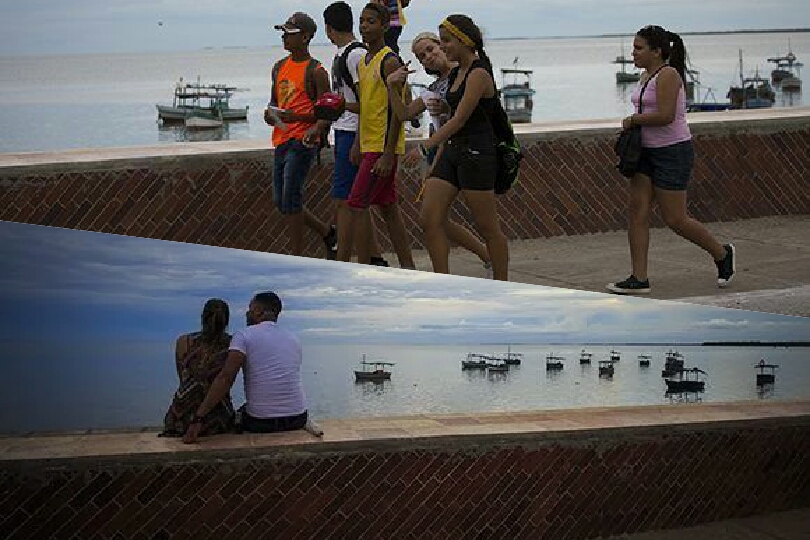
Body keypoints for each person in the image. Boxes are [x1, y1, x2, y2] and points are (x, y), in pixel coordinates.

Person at [607, 25, 735, 295]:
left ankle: (722, 253)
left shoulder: (668, 75)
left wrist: (633, 120)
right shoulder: (645, 76)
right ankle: (638, 278)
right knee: (637, 211)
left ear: (657, 51)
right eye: (634, 48)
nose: (633, 53)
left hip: (672, 152)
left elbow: (665, 115)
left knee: (675, 219)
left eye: (639, 48)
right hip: (645, 152)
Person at [400, 15, 509, 280]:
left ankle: (502, 285)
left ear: (464, 40)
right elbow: (453, 111)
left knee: (487, 227)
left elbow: (461, 119)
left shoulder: (479, 73)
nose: (444, 47)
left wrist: (426, 147)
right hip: (452, 150)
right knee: (429, 219)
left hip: (477, 152)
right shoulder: (457, 73)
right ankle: (442, 283)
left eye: (446, 41)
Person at [336, 2, 415, 269]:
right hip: (369, 143)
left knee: (356, 204)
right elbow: (366, 106)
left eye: (371, 22)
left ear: (383, 26)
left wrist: (388, 153)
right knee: (388, 208)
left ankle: (363, 266)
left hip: (382, 148)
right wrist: (358, 141)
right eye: (362, 21)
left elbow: (397, 110)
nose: (365, 26)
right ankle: (408, 267)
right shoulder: (363, 63)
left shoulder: (389, 59)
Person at [183, 292, 309, 444]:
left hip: (261, 423)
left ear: (258, 311)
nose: (247, 313)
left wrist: (199, 417)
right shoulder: (293, 338)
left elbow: (226, 378)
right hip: (298, 418)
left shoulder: (243, 335)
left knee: (236, 416)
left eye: (250, 308)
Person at [323, 1, 390, 267]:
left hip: (352, 133)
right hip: (345, 130)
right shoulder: (346, 54)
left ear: (328, 29)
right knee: (357, 204)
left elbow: (367, 101)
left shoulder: (353, 55)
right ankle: (373, 257)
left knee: (345, 202)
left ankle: (344, 260)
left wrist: (359, 140)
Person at [266, 12, 337, 259]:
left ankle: (296, 255)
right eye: (283, 32)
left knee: (291, 199)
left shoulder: (316, 71)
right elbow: (275, 103)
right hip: (282, 139)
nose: (284, 37)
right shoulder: (279, 68)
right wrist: (271, 114)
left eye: (290, 32)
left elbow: (326, 113)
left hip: (303, 141)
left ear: (305, 37)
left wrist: (305, 124)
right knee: (281, 202)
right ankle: (327, 233)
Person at [161, 299, 235, 438]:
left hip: (180, 415)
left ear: (202, 318)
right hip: (216, 415)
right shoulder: (233, 345)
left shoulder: (184, 341)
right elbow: (226, 379)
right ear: (226, 321)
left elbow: (182, 377)